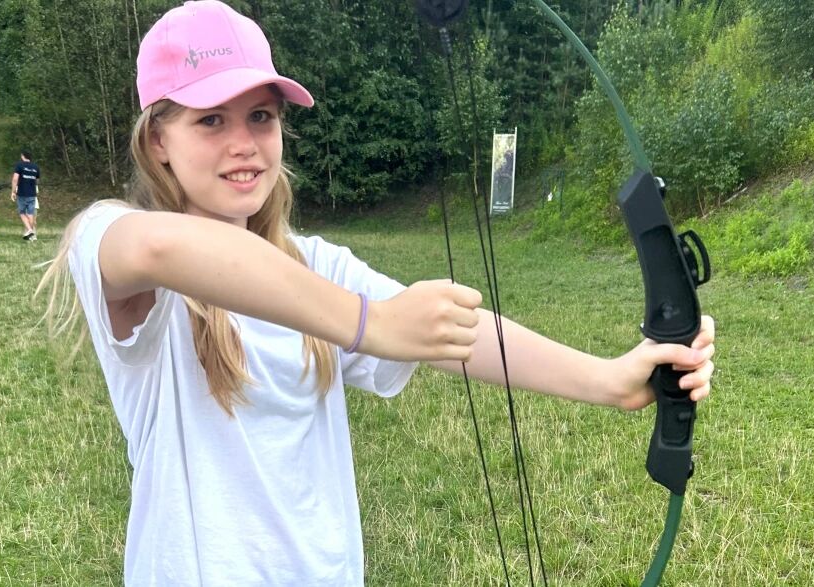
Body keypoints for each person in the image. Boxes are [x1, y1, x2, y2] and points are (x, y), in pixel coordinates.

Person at [36, 2, 716, 585]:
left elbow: (458, 333)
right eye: (211, 120)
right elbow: (162, 248)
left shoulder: (313, 266)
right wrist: (372, 323)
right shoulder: (116, 245)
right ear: (158, 138)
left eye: (261, 116)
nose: (244, 143)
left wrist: (609, 379)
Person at [10, 150, 40, 241]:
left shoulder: (19, 165)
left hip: (22, 193)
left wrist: (13, 191)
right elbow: (37, 181)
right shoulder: (36, 167)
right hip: (32, 194)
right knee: (30, 214)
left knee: (22, 213)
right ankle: (32, 235)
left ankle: (30, 230)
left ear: (23, 156)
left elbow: (15, 179)